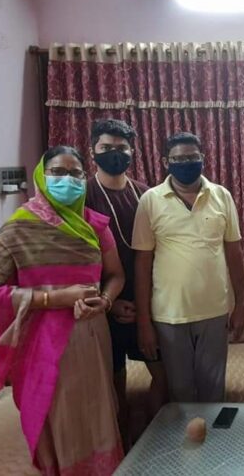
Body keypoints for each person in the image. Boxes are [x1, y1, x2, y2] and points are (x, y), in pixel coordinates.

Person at [0, 146, 125, 475]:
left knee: (96, 408)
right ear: (41, 178)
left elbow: (116, 275)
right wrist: (54, 298)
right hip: (43, 343)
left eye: (75, 173)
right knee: (59, 413)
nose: (67, 179)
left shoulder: (95, 225)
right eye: (57, 172)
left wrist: (105, 300)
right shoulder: (18, 229)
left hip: (92, 335)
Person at [132, 132, 244, 403]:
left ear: (203, 158)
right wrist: (144, 321)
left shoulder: (221, 195)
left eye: (193, 157)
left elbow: (234, 253)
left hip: (214, 311)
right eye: (179, 159)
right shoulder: (150, 200)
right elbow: (142, 263)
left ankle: (212, 434)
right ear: (165, 162)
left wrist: (240, 305)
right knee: (179, 394)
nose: (186, 163)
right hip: (169, 314)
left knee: (213, 391)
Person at [85, 119, 167, 448]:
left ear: (133, 152)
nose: (115, 154)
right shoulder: (83, 195)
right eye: (106, 148)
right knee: (114, 383)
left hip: (147, 303)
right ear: (93, 151)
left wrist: (147, 305)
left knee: (163, 375)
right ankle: (122, 444)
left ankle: (154, 443)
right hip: (104, 304)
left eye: (122, 148)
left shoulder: (145, 194)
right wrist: (110, 302)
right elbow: (75, 260)